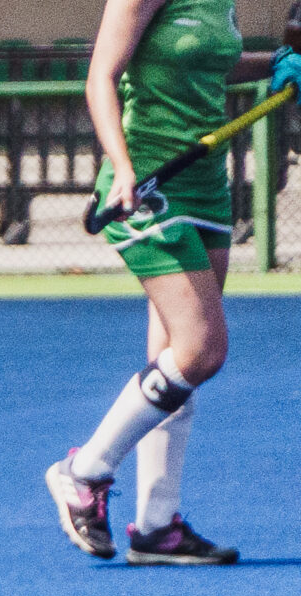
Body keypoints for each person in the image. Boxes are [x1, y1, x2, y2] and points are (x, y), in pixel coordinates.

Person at [43, 0, 284, 566]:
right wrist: (121, 166)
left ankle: (156, 525)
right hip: (150, 179)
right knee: (202, 351)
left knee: (172, 360)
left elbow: (204, 62)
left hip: (204, 181)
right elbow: (101, 75)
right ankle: (84, 471)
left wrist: (276, 63)